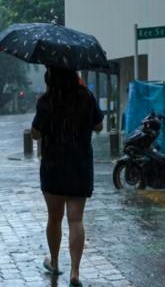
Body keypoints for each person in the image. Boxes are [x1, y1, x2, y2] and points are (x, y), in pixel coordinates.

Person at [31, 67, 103, 287]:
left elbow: (35, 133)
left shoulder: (46, 100)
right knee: (76, 219)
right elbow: (99, 126)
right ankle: (75, 272)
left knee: (54, 218)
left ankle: (54, 262)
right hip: (79, 165)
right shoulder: (86, 96)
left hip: (53, 165)